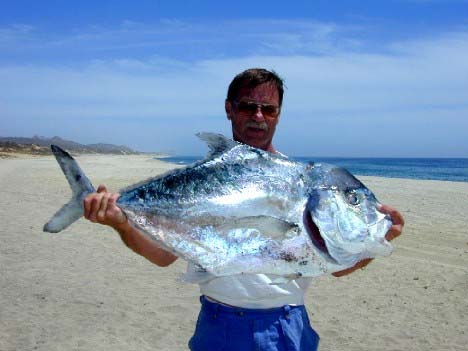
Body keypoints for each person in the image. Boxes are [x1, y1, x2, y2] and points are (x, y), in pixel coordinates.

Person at [83, 68, 404, 351]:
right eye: (249, 106)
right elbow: (163, 256)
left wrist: (370, 245)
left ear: (279, 114)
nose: (259, 116)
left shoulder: (297, 179)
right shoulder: (198, 182)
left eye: (269, 109)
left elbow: (335, 264)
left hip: (287, 327)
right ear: (229, 109)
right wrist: (121, 223)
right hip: (218, 325)